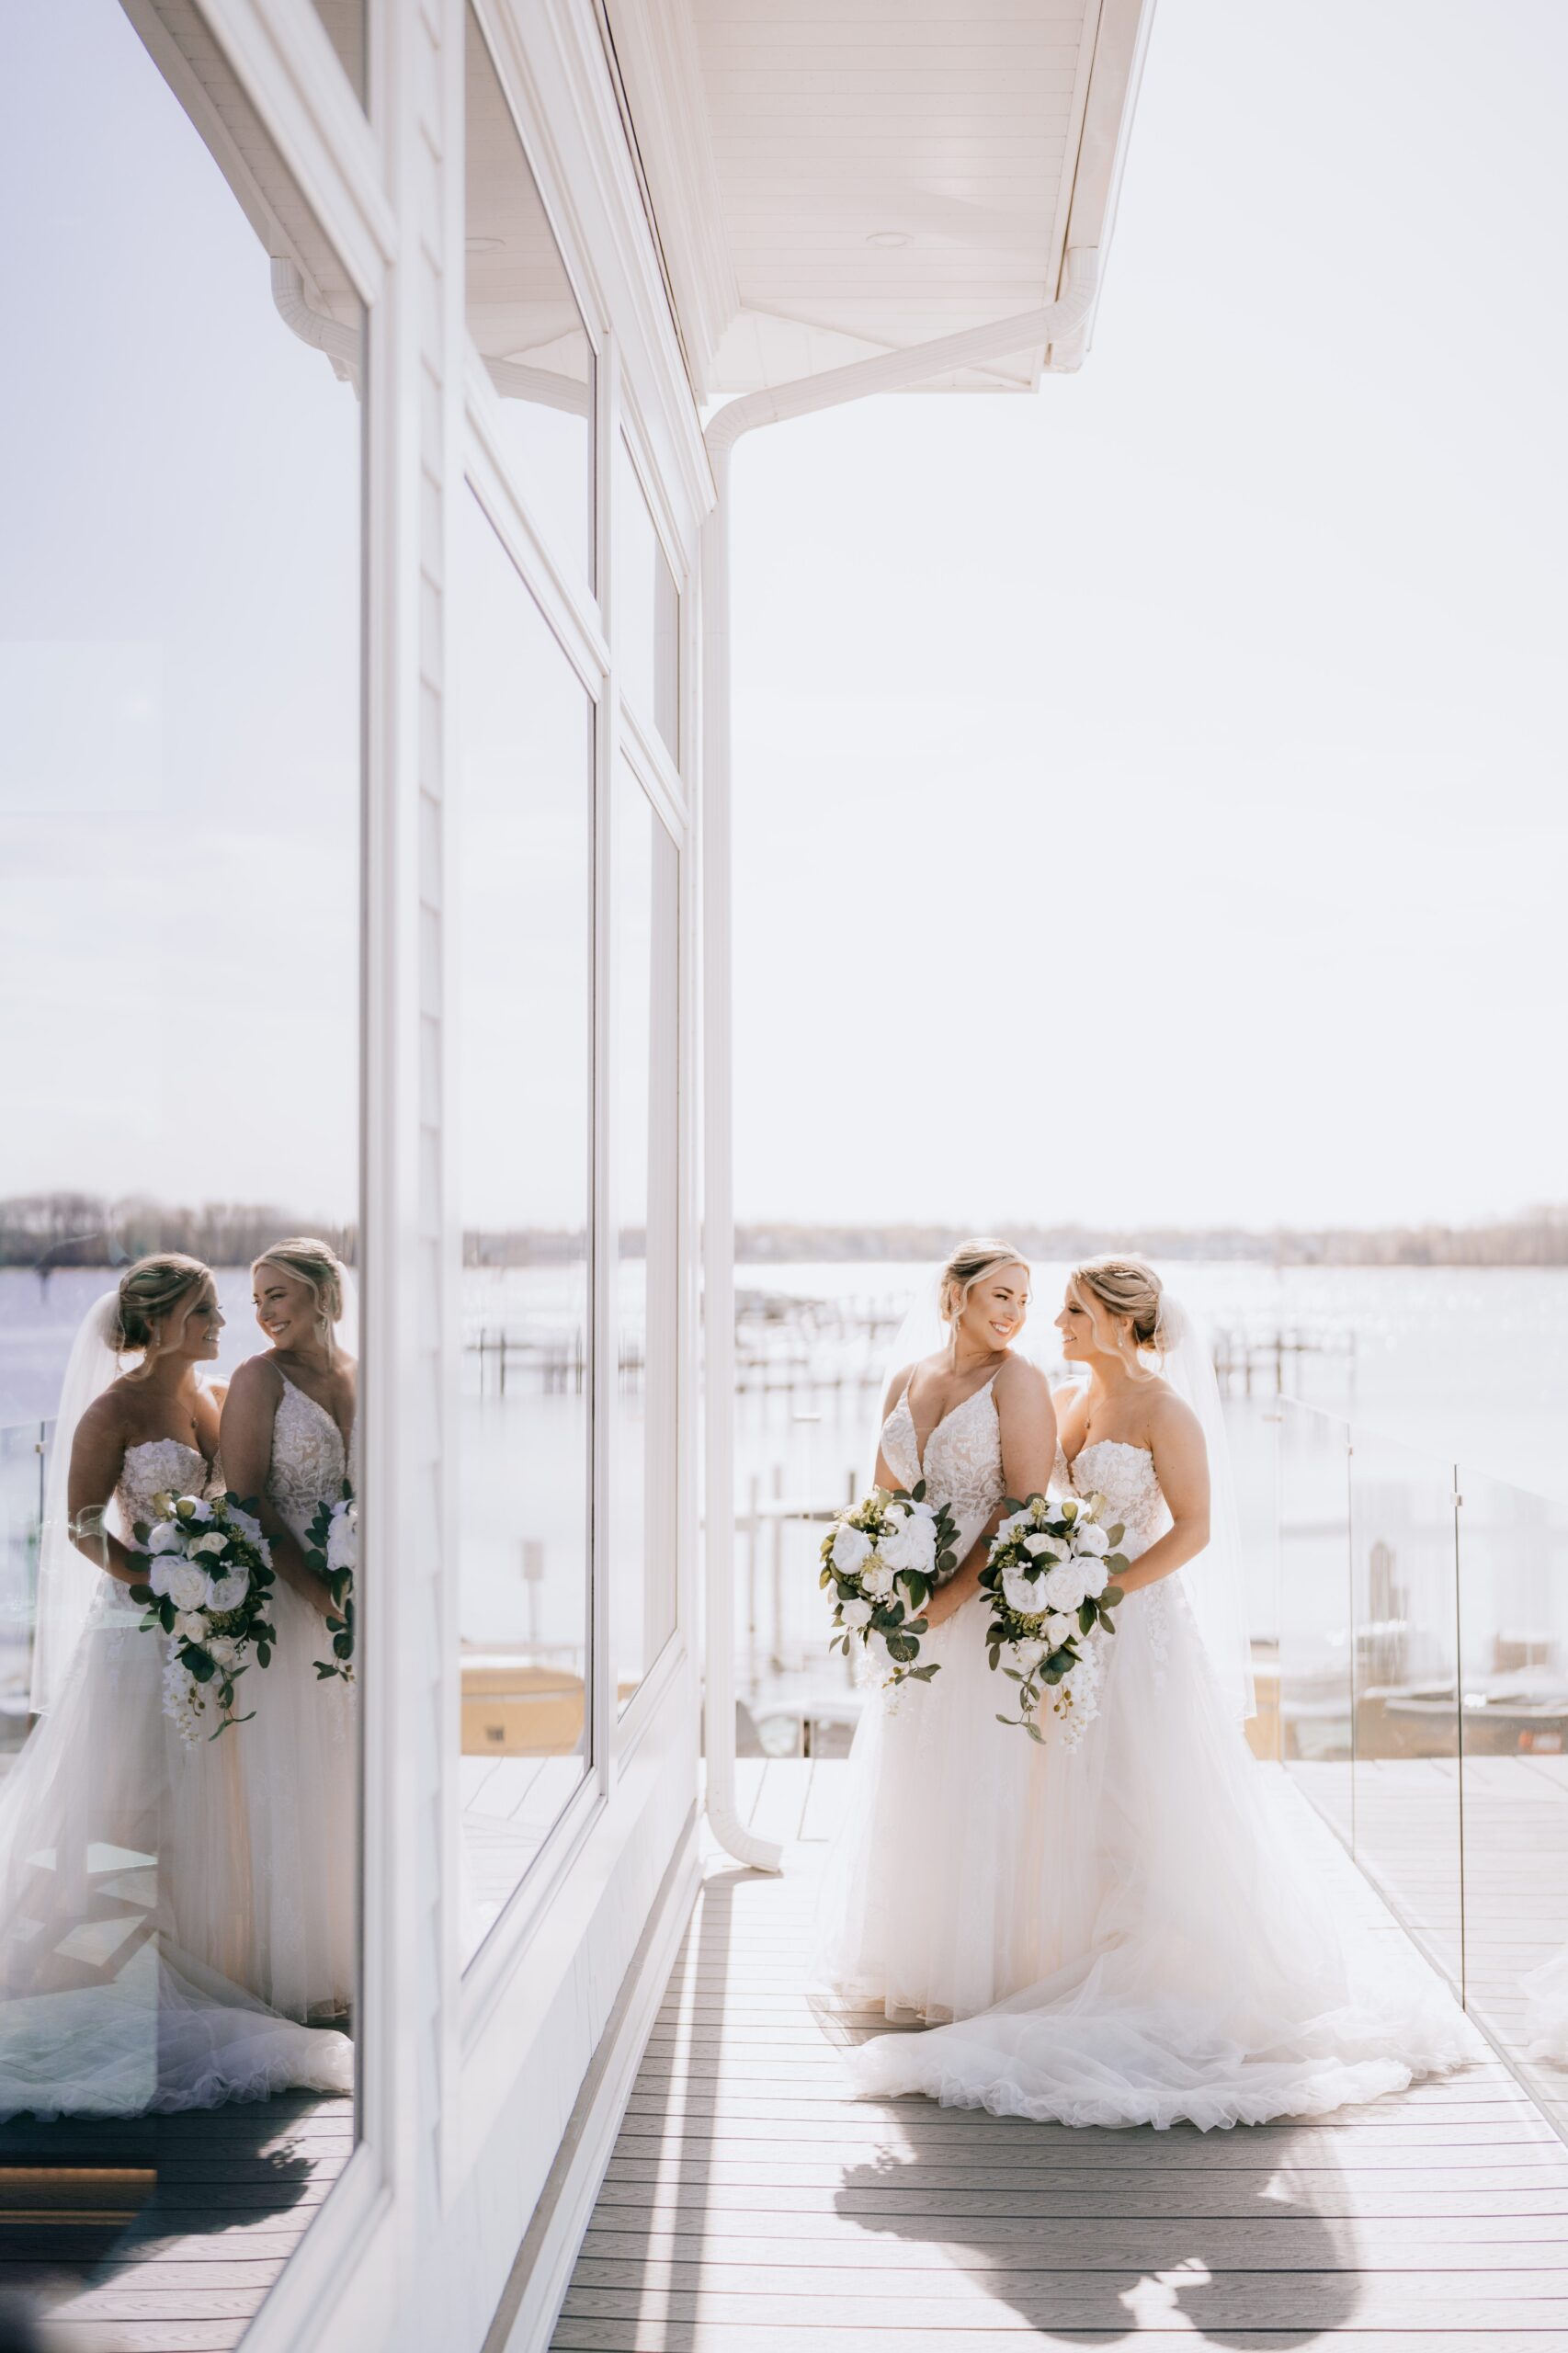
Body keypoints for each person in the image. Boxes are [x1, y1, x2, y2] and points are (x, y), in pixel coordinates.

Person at [846, 1256, 1472, 2129]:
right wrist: (1049, 1585)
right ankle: (1060, 1950)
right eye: (1042, 1306)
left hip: (1135, 1623)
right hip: (1067, 1619)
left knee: (1144, 1796)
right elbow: (1037, 1505)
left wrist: (1107, 1589)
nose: (1050, 1323)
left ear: (1114, 1320)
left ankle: (1165, 1960)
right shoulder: (1068, 1402)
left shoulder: (1164, 1410)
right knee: (1064, 1798)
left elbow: (1198, 1528)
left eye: (1067, 1310)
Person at [0, 1256, 350, 2115]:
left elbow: (240, 1498)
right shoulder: (111, 1410)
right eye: (206, 1311)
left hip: (205, 1633)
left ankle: (200, 1958)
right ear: (161, 1323)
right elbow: (82, 1527)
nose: (223, 1323)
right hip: (135, 1632)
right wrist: (155, 1582)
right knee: (123, 1810)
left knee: (202, 1807)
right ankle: (92, 1976)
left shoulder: (207, 1398)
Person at [812, 1240, 1056, 2022]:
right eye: (1001, 1297)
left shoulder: (1019, 1384)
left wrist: (949, 1596)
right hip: (910, 1610)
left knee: (974, 1779)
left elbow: (1022, 1509)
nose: (1016, 1314)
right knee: (914, 1776)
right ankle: (912, 1956)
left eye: (1024, 1299)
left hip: (978, 1607)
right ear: (954, 1295)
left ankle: (978, 1972)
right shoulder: (908, 1378)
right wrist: (871, 1577)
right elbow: (880, 1501)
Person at [221, 1238, 358, 2024]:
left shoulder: (359, 1373)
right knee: (301, 1776)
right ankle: (306, 1971)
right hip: (289, 1601)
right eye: (257, 1300)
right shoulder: (255, 1380)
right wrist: (315, 1592)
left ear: (320, 1294)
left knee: (356, 1774)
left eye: (278, 1295)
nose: (266, 1313)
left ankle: (362, 1943)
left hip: (358, 1595)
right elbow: (247, 1503)